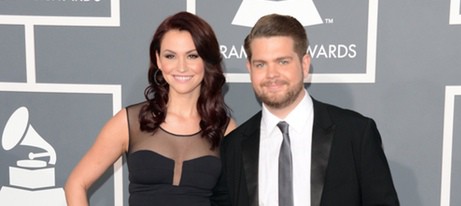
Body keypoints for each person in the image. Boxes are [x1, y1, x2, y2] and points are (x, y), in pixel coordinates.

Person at [217, 14, 399, 206]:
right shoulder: (232, 147)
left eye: (283, 61)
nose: (271, 74)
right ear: (250, 69)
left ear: (304, 64)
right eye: (261, 64)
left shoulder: (356, 134)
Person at [65, 11, 236, 206]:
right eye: (170, 56)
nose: (181, 67)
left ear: (206, 61)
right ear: (158, 60)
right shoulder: (130, 122)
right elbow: (76, 183)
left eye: (192, 56)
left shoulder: (225, 128)